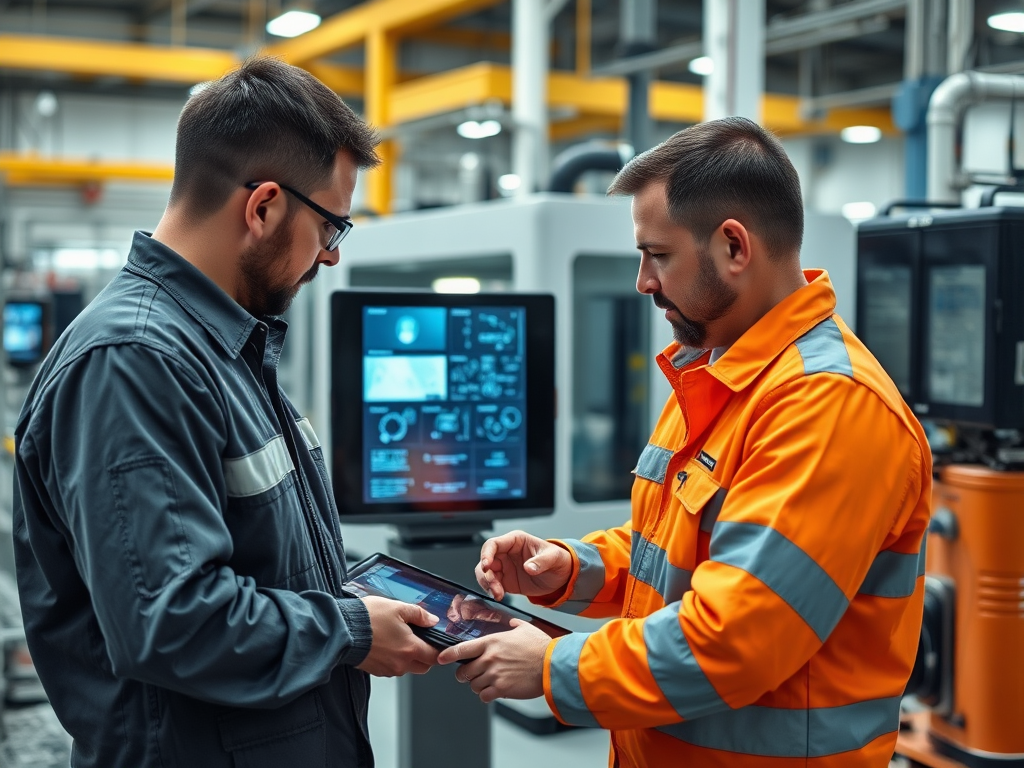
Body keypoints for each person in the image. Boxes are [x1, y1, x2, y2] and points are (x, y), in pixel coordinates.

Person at [438, 116, 933, 767]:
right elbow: (675, 547)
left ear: (734, 246)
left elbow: (737, 639)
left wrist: (556, 667)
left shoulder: (829, 406)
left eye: (658, 255)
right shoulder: (719, 376)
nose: (644, 281)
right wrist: (567, 568)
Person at [12, 57, 440, 768]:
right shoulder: (135, 360)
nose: (330, 258)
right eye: (331, 226)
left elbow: (258, 558)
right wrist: (351, 631)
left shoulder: (222, 346)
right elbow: (171, 624)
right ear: (264, 206)